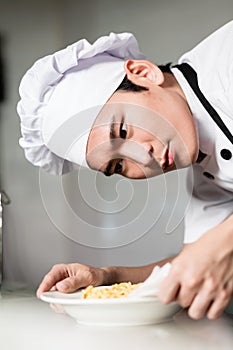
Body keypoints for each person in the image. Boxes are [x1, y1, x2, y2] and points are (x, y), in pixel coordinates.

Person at [17, 21, 233, 320]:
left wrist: (226, 242)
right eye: (118, 166)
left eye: (122, 130)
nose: (143, 158)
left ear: (144, 74)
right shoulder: (206, 176)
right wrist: (107, 276)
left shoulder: (227, 60)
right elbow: (191, 262)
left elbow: (216, 248)